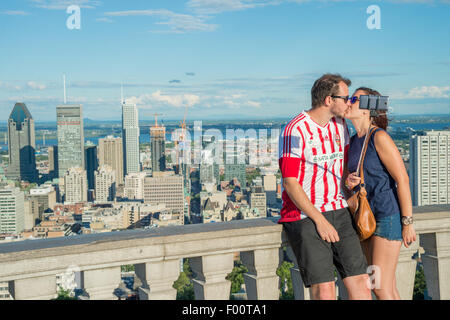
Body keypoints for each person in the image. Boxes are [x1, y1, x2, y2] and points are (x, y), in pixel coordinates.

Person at [278, 74, 372, 300]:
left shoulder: (340, 125)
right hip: (305, 215)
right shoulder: (295, 130)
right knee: (325, 289)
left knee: (361, 281)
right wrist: (320, 221)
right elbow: (290, 182)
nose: (349, 103)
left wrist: (347, 181)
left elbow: (342, 167)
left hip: (339, 209)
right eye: (346, 98)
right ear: (329, 100)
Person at [343, 87, 417, 300]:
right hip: (367, 218)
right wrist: (350, 181)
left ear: (367, 109)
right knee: (387, 287)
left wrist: (407, 222)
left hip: (387, 216)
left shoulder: (379, 137)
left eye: (354, 99)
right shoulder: (355, 140)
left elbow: (402, 179)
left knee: (379, 286)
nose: (348, 102)